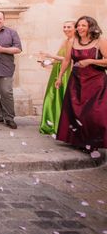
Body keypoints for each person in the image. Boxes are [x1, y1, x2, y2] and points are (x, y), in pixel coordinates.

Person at [55, 16, 107, 153]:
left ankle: (93, 141)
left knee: (93, 113)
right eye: (78, 25)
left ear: (91, 27)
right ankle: (79, 141)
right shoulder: (73, 41)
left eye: (83, 25)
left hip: (96, 81)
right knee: (75, 111)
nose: (80, 28)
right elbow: (66, 61)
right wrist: (59, 77)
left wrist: (90, 61)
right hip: (77, 81)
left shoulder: (100, 41)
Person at [37, 20, 75, 135]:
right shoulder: (66, 41)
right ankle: (54, 123)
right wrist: (47, 62)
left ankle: (62, 126)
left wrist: (49, 55)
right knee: (52, 97)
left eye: (69, 27)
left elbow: (69, 60)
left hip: (66, 73)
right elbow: (60, 58)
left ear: (75, 28)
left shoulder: (74, 41)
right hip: (57, 71)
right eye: (64, 27)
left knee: (61, 98)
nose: (66, 29)